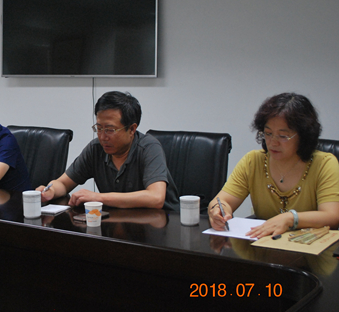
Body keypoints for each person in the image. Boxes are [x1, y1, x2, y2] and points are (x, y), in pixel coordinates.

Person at [208, 93, 339, 238]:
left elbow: (332, 216)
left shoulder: (324, 164)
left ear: (303, 136)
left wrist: (290, 218)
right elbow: (221, 200)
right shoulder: (253, 161)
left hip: (308, 247)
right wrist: (218, 211)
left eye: (283, 136)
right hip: (263, 246)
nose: (273, 142)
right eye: (268, 133)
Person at [38, 91, 179, 210]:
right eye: (99, 128)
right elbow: (63, 183)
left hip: (161, 223)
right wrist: (50, 191)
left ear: (131, 129)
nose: (102, 137)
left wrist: (98, 197)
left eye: (110, 130)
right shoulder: (95, 149)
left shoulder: (149, 147)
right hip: (117, 222)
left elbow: (156, 198)